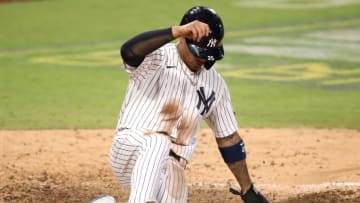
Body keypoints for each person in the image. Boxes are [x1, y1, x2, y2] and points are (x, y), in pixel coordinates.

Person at [109, 6, 269, 203]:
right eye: (199, 52)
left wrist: (247, 188)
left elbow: (229, 138)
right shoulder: (156, 58)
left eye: (207, 54)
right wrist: (176, 30)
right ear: (183, 39)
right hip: (131, 148)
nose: (202, 59)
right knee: (157, 141)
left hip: (171, 165)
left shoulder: (215, 84)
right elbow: (129, 51)